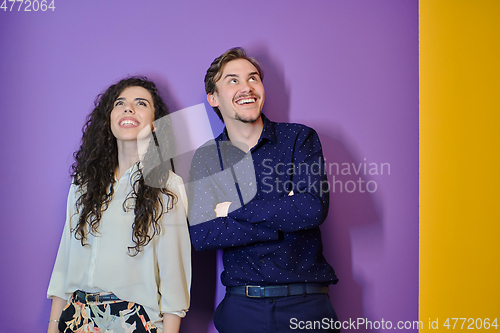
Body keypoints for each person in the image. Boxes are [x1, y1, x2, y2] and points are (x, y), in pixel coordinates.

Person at [188, 48, 339, 332]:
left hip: (306, 306)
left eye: (253, 78)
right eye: (232, 80)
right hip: (241, 309)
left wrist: (232, 209)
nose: (246, 87)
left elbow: (312, 208)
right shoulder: (207, 158)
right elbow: (202, 234)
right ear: (213, 98)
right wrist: (282, 218)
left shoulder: (298, 139)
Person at [47, 77, 191, 333]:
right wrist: (53, 324)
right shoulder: (83, 183)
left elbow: (174, 278)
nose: (128, 108)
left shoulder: (168, 186)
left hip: (133, 320)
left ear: (156, 125)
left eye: (141, 103)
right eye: (120, 103)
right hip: (76, 317)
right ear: (108, 119)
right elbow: (65, 261)